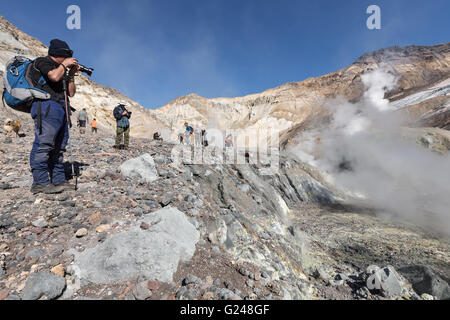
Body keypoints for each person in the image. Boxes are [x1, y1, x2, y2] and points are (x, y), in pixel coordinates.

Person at [29, 39, 80, 194]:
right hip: (46, 106)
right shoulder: (42, 62)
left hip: (62, 108)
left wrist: (71, 74)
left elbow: (71, 92)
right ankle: (40, 182)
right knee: (44, 144)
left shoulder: (62, 69)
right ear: (59, 54)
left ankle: (58, 180)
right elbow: (53, 77)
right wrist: (65, 65)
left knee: (59, 147)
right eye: (66, 55)